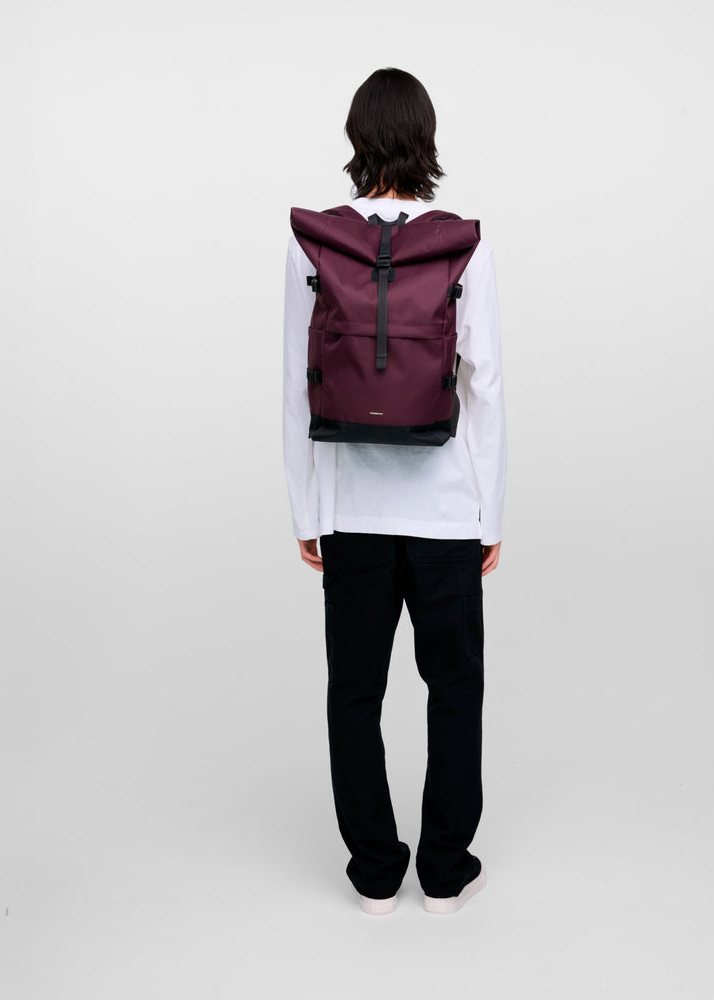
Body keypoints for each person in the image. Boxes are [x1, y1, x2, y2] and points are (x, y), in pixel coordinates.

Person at [282, 67, 507, 915]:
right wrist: (489, 513)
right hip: (446, 512)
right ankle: (444, 872)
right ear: (426, 139)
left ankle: (376, 873)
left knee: (355, 692)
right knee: (454, 688)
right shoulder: (464, 244)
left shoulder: (314, 243)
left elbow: (295, 386)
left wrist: (308, 509)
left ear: (357, 138)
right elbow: (487, 389)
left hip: (353, 512)